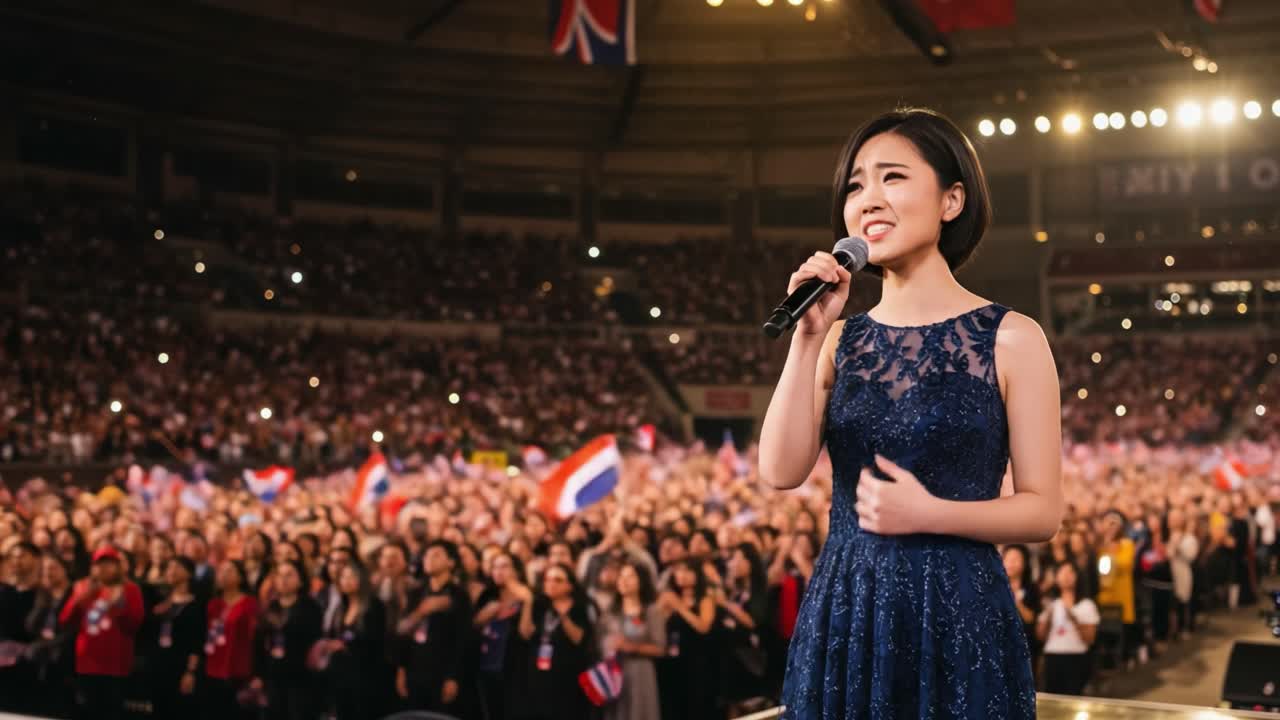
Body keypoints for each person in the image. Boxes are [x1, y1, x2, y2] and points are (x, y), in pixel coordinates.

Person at [759, 107, 1062, 718]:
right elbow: (781, 469)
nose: (868, 198)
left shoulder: (1012, 338)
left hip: (958, 610)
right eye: (855, 184)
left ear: (952, 200)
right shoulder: (839, 340)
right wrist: (807, 337)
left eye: (892, 177)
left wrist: (930, 512)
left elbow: (1043, 510)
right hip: (847, 609)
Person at [58, 545, 145, 720]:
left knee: (111, 711)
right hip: (87, 663)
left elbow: (134, 625)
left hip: (116, 664)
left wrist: (119, 606)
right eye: (100, 564)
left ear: (118, 566)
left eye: (110, 563)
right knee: (87, 710)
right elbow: (65, 622)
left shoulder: (130, 590)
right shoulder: (82, 587)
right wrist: (77, 601)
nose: (104, 568)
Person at [515, 562, 597, 720]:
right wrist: (528, 603)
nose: (551, 583)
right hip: (540, 677)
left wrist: (563, 616)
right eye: (547, 579)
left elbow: (578, 638)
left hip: (568, 679)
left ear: (570, 585)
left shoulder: (581, 606)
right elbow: (525, 633)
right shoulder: (541, 605)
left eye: (557, 580)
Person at [253, 560, 321, 720]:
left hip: (301, 678)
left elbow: (313, 642)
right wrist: (258, 674)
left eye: (289, 575)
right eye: (280, 575)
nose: (283, 580)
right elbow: (258, 642)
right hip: (273, 675)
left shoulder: (309, 607)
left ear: (301, 580)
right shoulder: (271, 607)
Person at [599, 559, 664, 720]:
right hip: (613, 673)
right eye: (621, 576)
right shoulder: (610, 611)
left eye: (630, 576)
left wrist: (631, 647)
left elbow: (660, 648)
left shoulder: (651, 611)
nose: (624, 580)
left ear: (641, 581)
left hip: (640, 672)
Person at [147, 557, 206, 720]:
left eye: (177, 567)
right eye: (169, 567)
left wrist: (190, 672)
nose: (172, 571)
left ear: (189, 573)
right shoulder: (160, 601)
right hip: (158, 663)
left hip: (180, 664)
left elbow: (197, 642)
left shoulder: (196, 604)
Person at [203, 560, 258, 720]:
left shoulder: (249, 604)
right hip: (213, 665)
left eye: (229, 571)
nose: (223, 575)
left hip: (239, 668)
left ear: (240, 577)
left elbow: (253, 637)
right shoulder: (213, 604)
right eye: (221, 571)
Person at [1036, 562, 1099, 695]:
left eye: (1070, 572)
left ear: (1077, 577)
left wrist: (1074, 619)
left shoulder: (1086, 605)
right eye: (1062, 572)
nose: (1066, 576)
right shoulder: (1051, 604)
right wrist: (1048, 617)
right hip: (1052, 657)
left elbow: (1090, 639)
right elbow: (1040, 636)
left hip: (1076, 658)